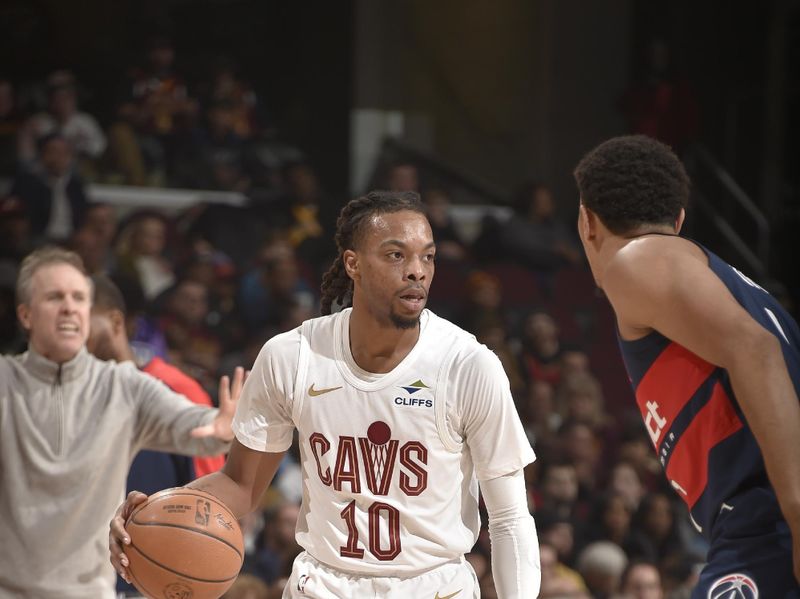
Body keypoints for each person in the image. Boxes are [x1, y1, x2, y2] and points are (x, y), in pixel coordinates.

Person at [111, 190, 541, 597]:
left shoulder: (468, 364)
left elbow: (507, 518)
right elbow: (240, 485)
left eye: (427, 256)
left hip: (433, 585)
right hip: (324, 584)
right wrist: (155, 513)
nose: (417, 270)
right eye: (396, 255)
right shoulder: (292, 356)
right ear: (352, 263)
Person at [573, 134, 800, 597]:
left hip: (768, 527)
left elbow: (755, 351)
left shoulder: (638, 260)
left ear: (587, 221)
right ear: (678, 219)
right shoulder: (736, 290)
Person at [0, 246, 242, 598]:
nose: (69, 306)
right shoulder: (5, 379)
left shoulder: (124, 386)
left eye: (79, 298)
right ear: (25, 315)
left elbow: (195, 426)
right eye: (55, 297)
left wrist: (219, 430)